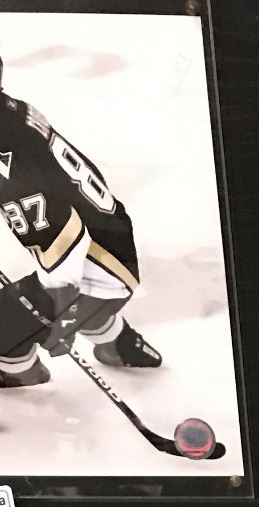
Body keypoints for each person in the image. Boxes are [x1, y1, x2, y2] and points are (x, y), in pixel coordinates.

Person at [0, 56, 160, 388]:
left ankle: (16, 369)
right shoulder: (11, 112)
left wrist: (64, 314)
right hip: (113, 250)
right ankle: (117, 341)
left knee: (26, 310)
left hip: (93, 270)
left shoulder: (7, 150)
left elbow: (62, 238)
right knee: (84, 291)